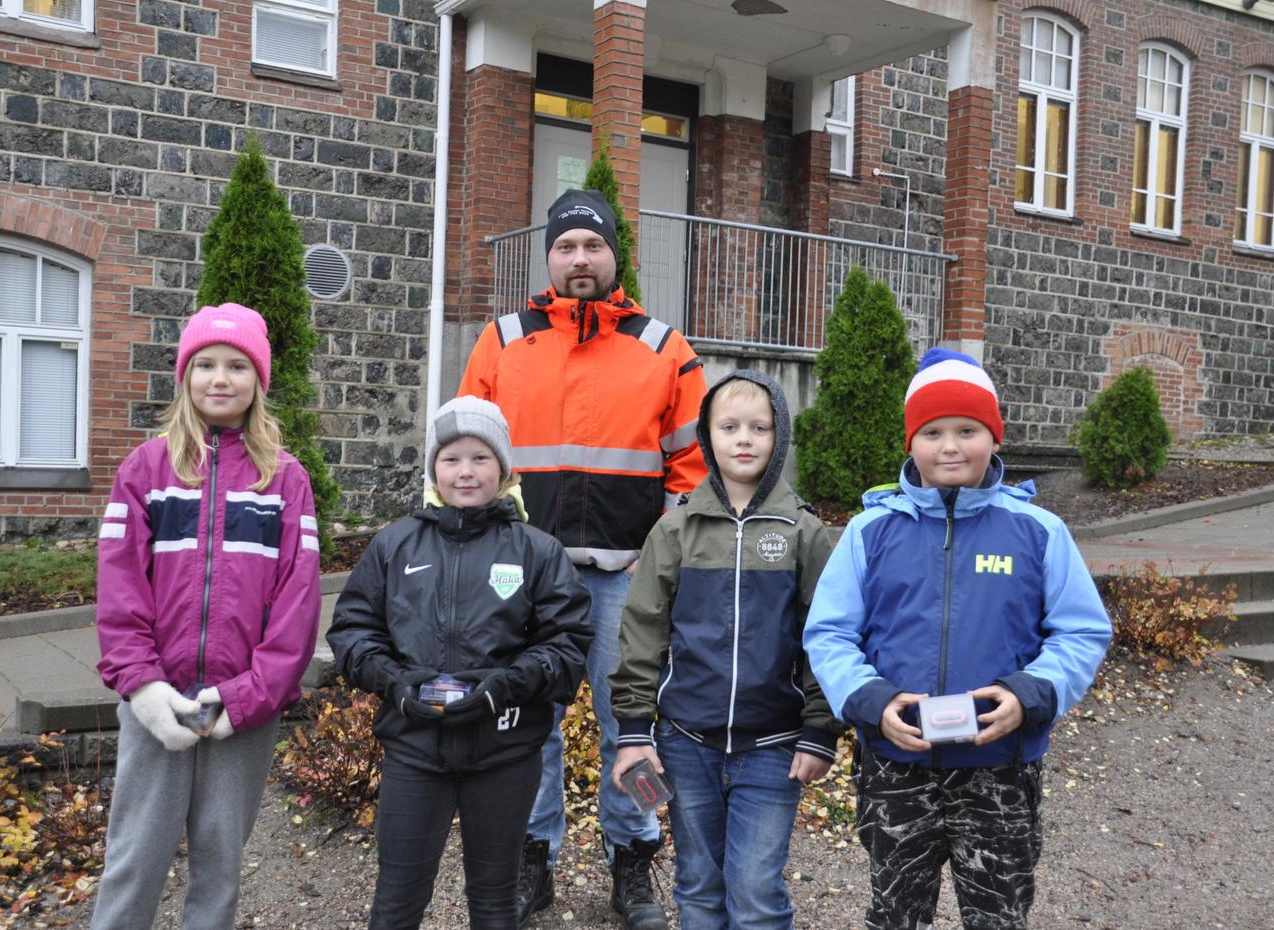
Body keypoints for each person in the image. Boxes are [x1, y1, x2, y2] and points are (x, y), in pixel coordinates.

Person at [459, 187, 708, 929]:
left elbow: (693, 470)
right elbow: (465, 457)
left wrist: (660, 555)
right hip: (523, 578)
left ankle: (633, 862)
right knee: (528, 724)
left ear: (613, 256)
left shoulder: (664, 349)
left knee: (632, 723)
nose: (578, 259)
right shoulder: (503, 341)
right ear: (549, 257)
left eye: (591, 246)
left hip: (623, 580)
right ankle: (531, 857)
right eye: (565, 246)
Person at [803, 348, 1113, 930]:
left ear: (994, 437)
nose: (950, 446)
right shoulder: (872, 531)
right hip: (897, 763)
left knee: (998, 916)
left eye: (968, 430)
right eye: (933, 431)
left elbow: (1081, 630)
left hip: (1000, 767)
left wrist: (1030, 693)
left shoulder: (1038, 532)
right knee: (896, 913)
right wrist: (870, 699)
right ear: (910, 443)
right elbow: (829, 631)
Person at [92, 302, 322, 930]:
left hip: (241, 710)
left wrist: (248, 696)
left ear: (259, 380)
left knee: (220, 859)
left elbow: (298, 603)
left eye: (237, 366)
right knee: (136, 855)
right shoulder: (145, 470)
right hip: (157, 700)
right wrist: (140, 686)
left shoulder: (285, 480)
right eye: (206, 365)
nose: (220, 379)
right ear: (185, 376)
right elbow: (118, 589)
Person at [326, 396, 593, 930]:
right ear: (433, 468)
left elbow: (566, 646)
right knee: (397, 900)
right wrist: (395, 683)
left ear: (504, 468)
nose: (466, 472)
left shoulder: (538, 552)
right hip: (415, 749)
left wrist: (502, 688)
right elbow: (353, 632)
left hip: (505, 751)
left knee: (495, 902)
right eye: (451, 459)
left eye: (480, 458)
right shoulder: (394, 545)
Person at [610, 370, 842, 930]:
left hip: (774, 746)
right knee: (698, 886)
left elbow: (828, 636)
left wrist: (820, 729)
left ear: (779, 437)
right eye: (730, 426)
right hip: (687, 744)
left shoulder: (804, 533)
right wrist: (635, 732)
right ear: (708, 437)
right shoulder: (676, 530)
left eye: (759, 428)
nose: (744, 438)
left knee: (756, 889)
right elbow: (642, 630)